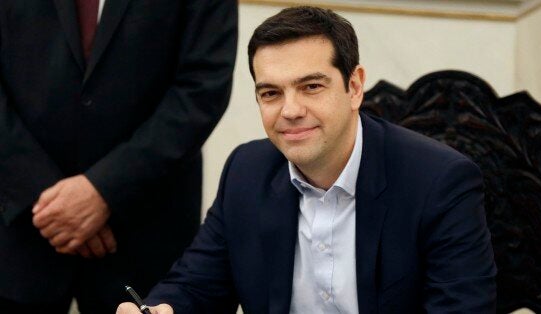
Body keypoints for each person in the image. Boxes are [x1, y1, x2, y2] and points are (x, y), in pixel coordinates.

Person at [117, 6, 496, 314]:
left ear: (354, 86)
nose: (291, 110)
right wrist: (158, 309)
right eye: (270, 93)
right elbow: (195, 285)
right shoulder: (246, 172)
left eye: (311, 87)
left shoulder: (440, 182)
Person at [0, 0, 237, 313]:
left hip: (145, 230)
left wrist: (105, 189)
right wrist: (50, 198)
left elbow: (202, 88)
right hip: (22, 225)